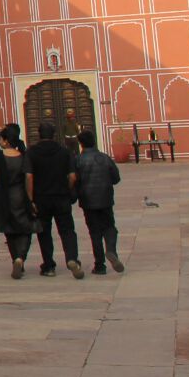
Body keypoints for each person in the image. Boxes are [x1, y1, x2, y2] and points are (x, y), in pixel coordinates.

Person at [27, 120, 83, 279]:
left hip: (41, 198)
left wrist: (30, 199)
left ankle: (49, 266)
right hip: (61, 198)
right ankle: (72, 259)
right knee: (67, 231)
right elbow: (72, 176)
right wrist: (67, 188)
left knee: (44, 233)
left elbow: (29, 177)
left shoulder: (32, 152)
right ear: (54, 135)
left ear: (39, 134)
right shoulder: (64, 152)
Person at [0, 123, 36, 279]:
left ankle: (15, 259)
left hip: (2, 197)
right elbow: (29, 177)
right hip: (20, 196)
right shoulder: (23, 156)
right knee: (26, 228)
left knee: (9, 229)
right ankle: (21, 257)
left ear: (6, 141)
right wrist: (31, 198)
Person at [73, 129, 125, 275]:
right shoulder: (105, 158)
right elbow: (116, 178)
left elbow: (74, 180)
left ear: (81, 144)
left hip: (88, 201)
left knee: (94, 232)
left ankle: (100, 265)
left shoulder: (78, 160)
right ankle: (111, 250)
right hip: (105, 199)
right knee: (109, 227)